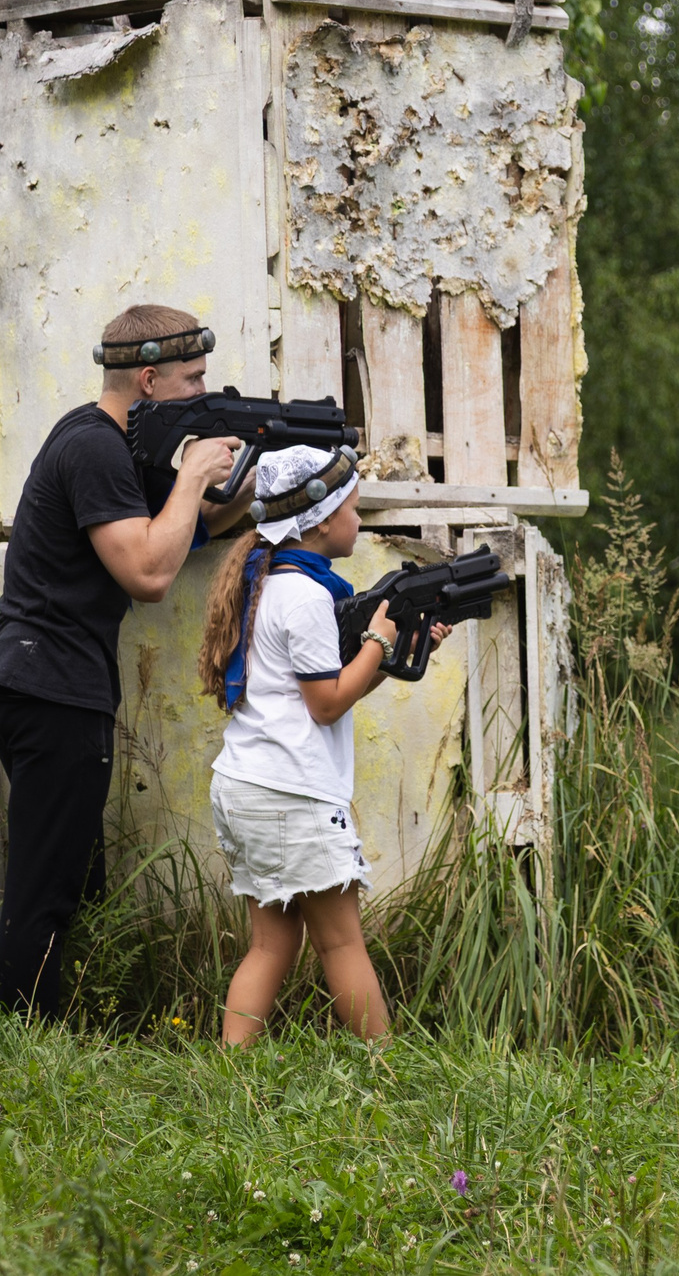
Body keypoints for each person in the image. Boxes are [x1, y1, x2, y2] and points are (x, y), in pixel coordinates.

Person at [0, 303, 248, 1018]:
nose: (202, 394)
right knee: (46, 889)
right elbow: (149, 572)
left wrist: (253, 477)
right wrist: (190, 478)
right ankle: (20, 1039)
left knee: (65, 879)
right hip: (49, 682)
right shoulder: (93, 446)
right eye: (193, 380)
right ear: (148, 380)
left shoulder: (116, 449)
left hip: (52, 681)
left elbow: (190, 529)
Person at [196, 443, 448, 1045]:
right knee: (340, 940)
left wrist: (396, 654)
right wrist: (378, 644)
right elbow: (327, 702)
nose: (360, 521)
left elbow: (331, 686)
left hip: (247, 786)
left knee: (271, 942)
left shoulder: (270, 583)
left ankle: (230, 1076)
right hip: (291, 794)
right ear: (323, 518)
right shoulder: (307, 598)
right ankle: (385, 1068)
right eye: (355, 509)